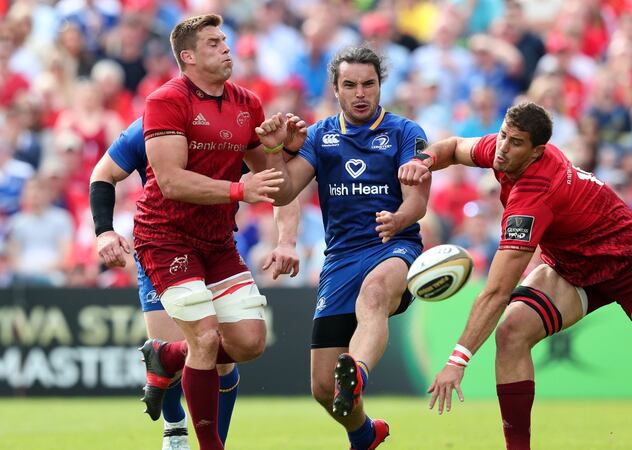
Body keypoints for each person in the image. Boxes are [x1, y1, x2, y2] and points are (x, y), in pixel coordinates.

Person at [397, 101, 632, 450]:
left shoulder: (534, 195)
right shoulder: (502, 149)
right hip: (572, 268)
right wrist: (423, 161)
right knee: (512, 332)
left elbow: (495, 291)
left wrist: (456, 362)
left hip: (628, 263)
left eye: (516, 143)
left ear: (537, 151)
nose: (503, 149)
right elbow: (455, 146)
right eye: (504, 135)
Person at [255, 46, 431, 450]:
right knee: (321, 387)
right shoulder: (319, 135)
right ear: (335, 89)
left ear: (380, 85)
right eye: (350, 85)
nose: (360, 93)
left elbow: (417, 202)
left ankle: (358, 374)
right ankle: (364, 434)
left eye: (368, 84)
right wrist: (275, 151)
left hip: (394, 247)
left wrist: (400, 220)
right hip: (340, 260)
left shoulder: (407, 133)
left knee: (373, 297)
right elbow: (282, 191)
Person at [89, 117, 300, 449]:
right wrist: (104, 230)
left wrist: (286, 239)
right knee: (186, 353)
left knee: (219, 352)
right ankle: (175, 425)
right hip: (163, 246)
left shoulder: (232, 118)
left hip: (216, 246)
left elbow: (282, 184)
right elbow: (103, 172)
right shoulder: (152, 121)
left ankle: (215, 442)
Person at [131, 14, 289, 450]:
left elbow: (276, 184)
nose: (226, 47)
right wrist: (240, 188)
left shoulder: (248, 102)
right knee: (204, 337)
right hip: (165, 236)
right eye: (214, 42)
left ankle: (167, 355)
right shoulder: (165, 100)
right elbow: (170, 181)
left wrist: (278, 148)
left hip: (218, 240)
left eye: (225, 40)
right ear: (188, 56)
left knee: (250, 343)